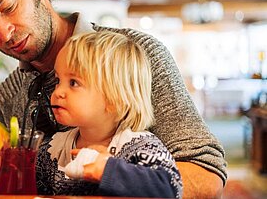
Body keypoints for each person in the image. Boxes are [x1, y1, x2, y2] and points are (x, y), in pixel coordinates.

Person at [0, 0, 227, 197]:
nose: (3, 33)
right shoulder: (9, 96)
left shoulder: (137, 55)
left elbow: (207, 173)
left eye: (8, 7)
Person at [35, 31, 183, 197]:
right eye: (57, 80)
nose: (58, 92)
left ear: (115, 99)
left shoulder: (140, 146)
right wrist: (0, 164)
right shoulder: (54, 149)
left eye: (73, 83)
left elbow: (170, 189)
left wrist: (109, 170)